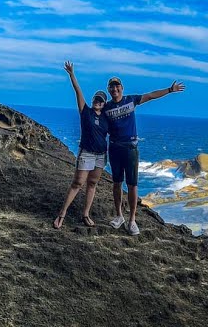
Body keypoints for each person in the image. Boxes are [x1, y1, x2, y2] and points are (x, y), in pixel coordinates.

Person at [101, 74, 185, 234]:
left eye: (117, 85)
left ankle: (132, 220)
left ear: (121, 88)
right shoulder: (106, 107)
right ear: (109, 89)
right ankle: (119, 216)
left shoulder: (130, 100)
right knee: (117, 183)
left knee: (132, 185)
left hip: (130, 149)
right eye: (111, 86)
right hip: (114, 149)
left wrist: (169, 90)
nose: (114, 88)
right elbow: (94, 118)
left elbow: (151, 96)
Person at [52, 61, 109, 229]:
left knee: (92, 184)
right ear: (92, 101)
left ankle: (86, 214)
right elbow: (78, 91)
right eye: (96, 99)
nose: (98, 101)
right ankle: (61, 215)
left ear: (104, 104)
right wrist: (72, 75)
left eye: (101, 100)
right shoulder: (86, 112)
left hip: (100, 156)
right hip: (86, 153)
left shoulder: (106, 118)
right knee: (78, 183)